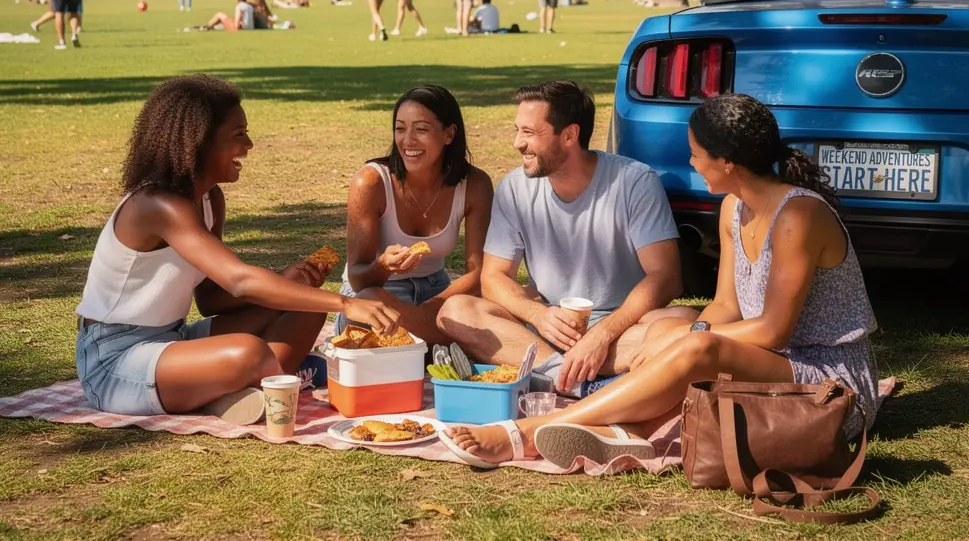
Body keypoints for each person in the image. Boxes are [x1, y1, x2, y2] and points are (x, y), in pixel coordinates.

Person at [440, 92, 881, 468]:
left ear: (728, 162)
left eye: (696, 153)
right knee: (679, 333)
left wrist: (692, 338)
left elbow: (773, 329)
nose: (691, 161)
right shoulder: (733, 208)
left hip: (827, 381)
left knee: (692, 340)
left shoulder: (798, 215)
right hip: (770, 361)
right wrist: (685, 336)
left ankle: (530, 430)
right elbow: (726, 304)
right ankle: (625, 427)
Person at [75, 75, 399, 422]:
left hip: (172, 339)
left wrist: (287, 283)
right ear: (199, 143)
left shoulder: (210, 199)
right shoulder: (158, 205)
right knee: (249, 354)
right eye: (237, 135)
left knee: (305, 311)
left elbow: (212, 299)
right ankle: (242, 384)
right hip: (114, 359)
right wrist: (347, 303)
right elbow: (240, 281)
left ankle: (229, 390)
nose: (250, 145)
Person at [437, 80, 685, 400]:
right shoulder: (514, 189)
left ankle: (551, 373)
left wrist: (603, 334)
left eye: (529, 133)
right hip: (548, 330)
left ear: (569, 135)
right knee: (455, 311)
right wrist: (538, 316)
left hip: (622, 330)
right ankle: (572, 379)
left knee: (683, 324)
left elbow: (666, 277)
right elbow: (493, 277)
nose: (516, 144)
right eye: (518, 130)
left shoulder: (635, 182)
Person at [339, 85, 494, 345]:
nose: (407, 140)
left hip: (439, 291)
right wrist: (384, 266)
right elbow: (357, 278)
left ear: (449, 134)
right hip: (379, 291)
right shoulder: (370, 182)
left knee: (498, 299)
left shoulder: (475, 185)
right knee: (368, 301)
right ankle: (449, 344)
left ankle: (422, 342)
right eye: (400, 129)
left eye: (421, 129)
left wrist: (430, 309)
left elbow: (479, 273)